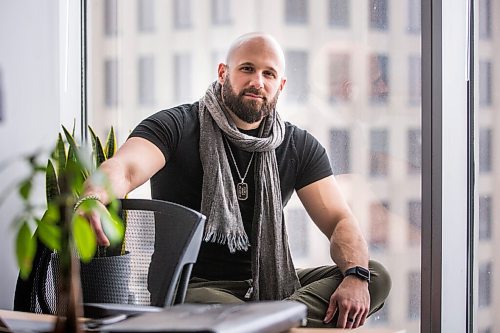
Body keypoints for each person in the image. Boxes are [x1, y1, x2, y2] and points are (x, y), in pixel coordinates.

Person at [79, 32, 391, 329]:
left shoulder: (298, 145)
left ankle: (263, 320)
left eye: (269, 74)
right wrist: (92, 199)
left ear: (280, 85)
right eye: (247, 69)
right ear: (223, 72)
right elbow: (124, 168)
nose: (258, 81)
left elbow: (339, 220)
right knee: (219, 309)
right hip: (189, 286)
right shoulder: (175, 125)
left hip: (264, 284)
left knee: (375, 277)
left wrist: (356, 276)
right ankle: (275, 319)